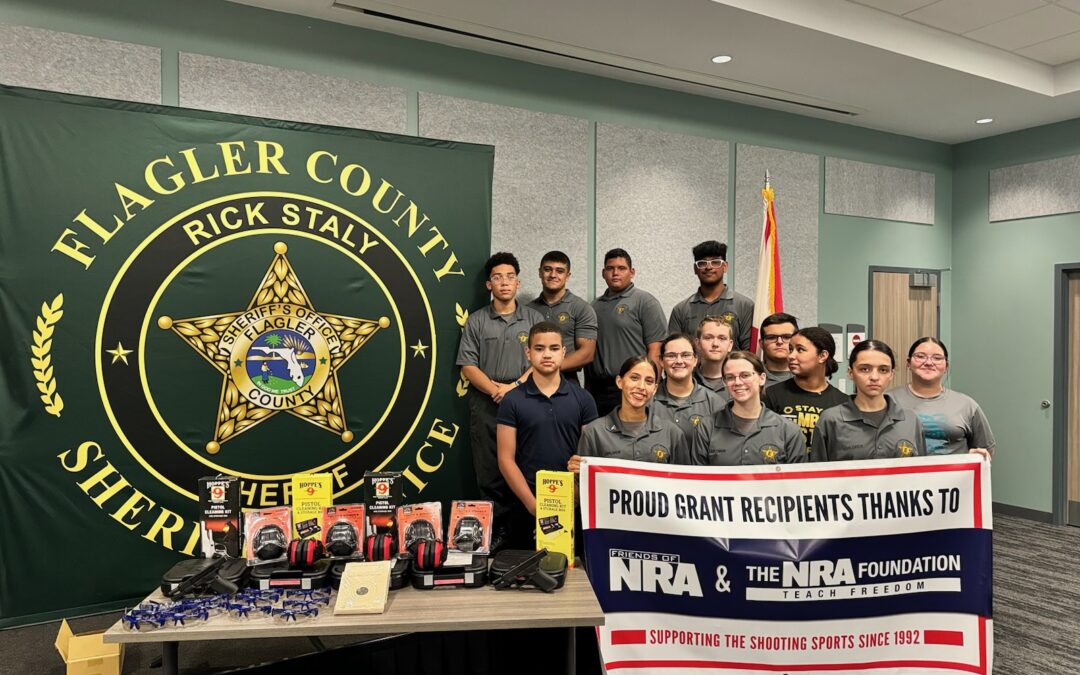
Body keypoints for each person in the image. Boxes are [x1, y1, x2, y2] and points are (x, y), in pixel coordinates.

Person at [456, 252, 544, 540]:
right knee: (489, 470)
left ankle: (526, 530)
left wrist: (515, 387)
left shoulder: (534, 318)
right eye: (497, 277)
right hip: (487, 403)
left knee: (528, 465)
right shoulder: (477, 321)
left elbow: (543, 359)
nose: (504, 282)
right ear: (488, 285)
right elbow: (468, 365)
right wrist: (496, 390)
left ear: (518, 282)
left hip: (527, 399)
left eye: (509, 277)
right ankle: (496, 532)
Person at [497, 322, 598, 548]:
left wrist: (577, 495)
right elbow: (505, 459)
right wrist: (533, 505)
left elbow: (589, 456)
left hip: (573, 503)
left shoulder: (583, 399)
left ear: (563, 352)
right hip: (528, 503)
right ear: (528, 353)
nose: (547, 355)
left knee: (574, 575)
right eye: (539, 348)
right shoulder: (512, 400)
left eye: (554, 348)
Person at [569, 356, 694, 471]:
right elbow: (583, 486)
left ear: (655, 389)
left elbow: (684, 484)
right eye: (634, 378)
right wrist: (577, 471)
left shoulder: (672, 433)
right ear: (619, 382)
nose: (641, 386)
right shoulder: (594, 432)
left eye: (649, 381)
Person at [811, 340, 927, 462]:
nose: (874, 377)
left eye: (883, 370)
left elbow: (922, 473)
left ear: (891, 375)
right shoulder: (831, 420)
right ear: (851, 373)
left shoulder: (910, 420)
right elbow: (817, 475)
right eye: (865, 369)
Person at [587, 249, 667, 416]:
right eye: (610, 268)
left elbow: (656, 351)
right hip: (599, 390)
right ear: (603, 273)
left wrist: (651, 388)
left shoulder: (645, 302)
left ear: (632, 272)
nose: (615, 273)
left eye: (621, 268)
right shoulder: (593, 307)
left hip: (633, 386)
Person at [890, 337, 995, 458]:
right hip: (903, 475)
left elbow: (986, 449)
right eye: (920, 356)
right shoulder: (888, 400)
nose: (929, 362)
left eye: (937, 358)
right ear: (908, 363)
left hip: (954, 476)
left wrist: (973, 457)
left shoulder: (967, 405)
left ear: (946, 366)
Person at [702, 351, 804, 465]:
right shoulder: (707, 427)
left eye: (745, 375)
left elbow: (797, 481)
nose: (737, 382)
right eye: (730, 377)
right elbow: (696, 479)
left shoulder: (788, 431)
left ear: (762, 378)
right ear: (725, 382)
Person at [762, 326, 849, 456]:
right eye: (790, 349)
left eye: (800, 350)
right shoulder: (772, 394)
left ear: (822, 356)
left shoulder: (842, 402)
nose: (791, 356)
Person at [526, 251, 598, 384]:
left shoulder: (581, 308)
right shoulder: (527, 309)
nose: (553, 275)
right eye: (548, 270)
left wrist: (550, 368)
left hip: (566, 380)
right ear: (540, 272)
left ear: (568, 275)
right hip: (530, 380)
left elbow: (587, 353)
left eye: (559, 271)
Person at [668, 240, 754, 350]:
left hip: (733, 367)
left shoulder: (745, 306)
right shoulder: (681, 310)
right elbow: (675, 350)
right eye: (702, 263)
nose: (709, 267)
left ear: (725, 266)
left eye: (715, 262)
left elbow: (749, 352)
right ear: (695, 269)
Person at [653, 333, 723, 452]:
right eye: (671, 355)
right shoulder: (648, 400)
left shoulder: (715, 404)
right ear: (661, 361)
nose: (679, 361)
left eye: (686, 355)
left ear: (695, 360)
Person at [694, 316, 734, 399]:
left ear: (730, 345)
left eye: (722, 338)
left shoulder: (740, 382)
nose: (715, 344)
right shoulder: (686, 379)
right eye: (708, 338)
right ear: (698, 344)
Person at [759, 312, 799, 387]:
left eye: (787, 337)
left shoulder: (810, 376)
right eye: (771, 337)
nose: (779, 342)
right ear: (761, 344)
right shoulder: (748, 377)